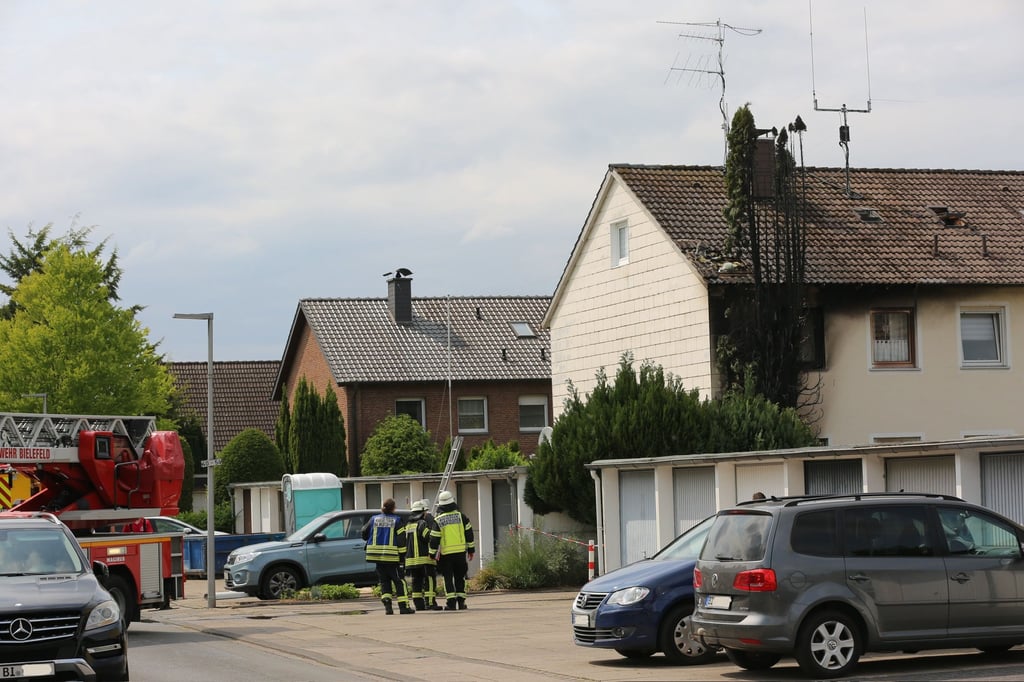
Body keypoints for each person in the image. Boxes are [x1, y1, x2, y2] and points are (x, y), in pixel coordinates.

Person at [361, 498, 413, 615]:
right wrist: (402, 557)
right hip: (392, 558)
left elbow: (364, 532)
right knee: (399, 582)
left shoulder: (374, 519)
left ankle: (388, 608)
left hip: (377, 558)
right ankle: (404, 607)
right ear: (394, 508)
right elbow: (401, 540)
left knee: (384, 582)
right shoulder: (397, 521)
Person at [429, 490, 474, 611]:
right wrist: (471, 550)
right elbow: (469, 534)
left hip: (446, 555)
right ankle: (461, 602)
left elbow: (434, 539)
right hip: (460, 553)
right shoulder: (461, 516)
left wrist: (432, 554)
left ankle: (451, 603)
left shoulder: (438, 520)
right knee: (460, 577)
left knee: (448, 577)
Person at [403, 499, 442, 611]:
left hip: (411, 560)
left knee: (416, 582)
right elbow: (428, 537)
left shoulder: (408, 525)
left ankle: (419, 605)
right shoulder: (422, 524)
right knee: (430, 579)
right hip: (425, 559)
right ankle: (430, 603)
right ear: (422, 512)